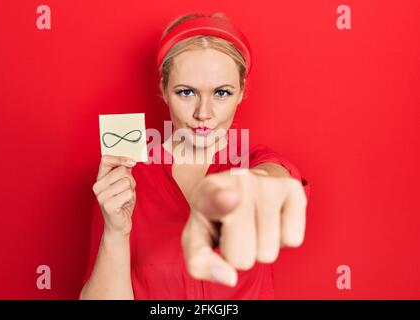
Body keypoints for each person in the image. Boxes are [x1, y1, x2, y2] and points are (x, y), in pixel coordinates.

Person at [79, 12, 310, 300]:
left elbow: (277, 177)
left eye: (222, 93)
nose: (204, 113)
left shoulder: (255, 161)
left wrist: (256, 185)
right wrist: (115, 233)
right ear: (163, 88)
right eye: (186, 92)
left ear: (242, 92)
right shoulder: (124, 178)